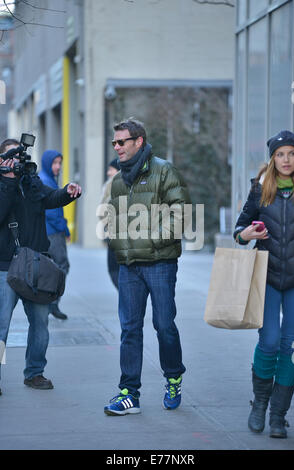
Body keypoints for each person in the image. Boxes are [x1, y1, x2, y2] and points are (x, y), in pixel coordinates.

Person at [104, 118, 190, 416]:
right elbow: (114, 221)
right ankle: (129, 393)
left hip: (160, 264)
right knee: (129, 330)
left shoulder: (164, 170)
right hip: (130, 268)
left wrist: (150, 239)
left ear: (138, 141)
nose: (116, 147)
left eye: (121, 142)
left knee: (164, 326)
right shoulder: (117, 181)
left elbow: (182, 214)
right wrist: (118, 245)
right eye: (114, 142)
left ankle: (173, 377)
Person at [0, 138, 81, 394]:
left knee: (40, 322)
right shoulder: (5, 184)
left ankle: (35, 373)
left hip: (35, 261)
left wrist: (67, 192)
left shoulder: (31, 182)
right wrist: (9, 181)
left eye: (19, 157)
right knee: (1, 325)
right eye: (10, 157)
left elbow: (50, 198)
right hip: (4, 266)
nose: (16, 162)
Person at [234, 130, 294, 439]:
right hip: (268, 277)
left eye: (292, 154)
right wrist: (246, 235)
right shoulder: (260, 190)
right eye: (280, 154)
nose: (286, 160)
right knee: (270, 341)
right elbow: (239, 228)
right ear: (272, 159)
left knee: (292, 347)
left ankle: (278, 415)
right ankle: (259, 404)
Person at [39, 150, 71, 320]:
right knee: (61, 266)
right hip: (53, 232)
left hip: (50, 231)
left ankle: (50, 302)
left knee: (53, 267)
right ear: (47, 163)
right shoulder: (46, 180)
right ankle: (52, 303)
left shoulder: (47, 178)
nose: (58, 167)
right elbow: (52, 212)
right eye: (55, 163)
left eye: (60, 163)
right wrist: (64, 229)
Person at [96, 158, 120, 290]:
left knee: (114, 270)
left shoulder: (113, 185)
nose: (108, 172)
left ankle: (127, 297)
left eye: (111, 169)